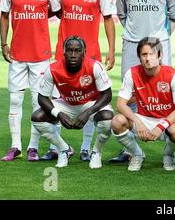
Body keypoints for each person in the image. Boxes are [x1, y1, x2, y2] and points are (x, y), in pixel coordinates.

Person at [112, 0, 175, 163]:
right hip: (132, 44)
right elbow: (122, 13)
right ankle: (130, 148)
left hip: (159, 44)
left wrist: (159, 39)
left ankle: (167, 141)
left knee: (165, 92)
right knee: (129, 96)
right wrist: (136, 35)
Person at [41, 0, 116, 162]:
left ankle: (85, 147)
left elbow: (108, 20)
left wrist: (111, 49)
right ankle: (57, 147)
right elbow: (56, 13)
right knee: (56, 103)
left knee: (90, 102)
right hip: (63, 58)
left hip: (91, 57)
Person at [0, 0, 57, 162]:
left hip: (40, 56)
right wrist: (3, 43)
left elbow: (55, 11)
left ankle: (33, 147)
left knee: (37, 102)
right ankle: (15, 146)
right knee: (15, 101)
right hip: (17, 55)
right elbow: (4, 16)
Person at [31, 36, 114, 168]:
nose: (73, 55)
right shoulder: (53, 69)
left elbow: (107, 94)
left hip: (91, 103)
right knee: (37, 117)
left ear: (84, 53)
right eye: (69, 51)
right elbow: (42, 97)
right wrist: (58, 114)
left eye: (77, 51)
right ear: (64, 53)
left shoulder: (95, 66)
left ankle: (96, 152)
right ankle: (64, 150)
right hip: (67, 104)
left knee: (108, 119)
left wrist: (88, 113)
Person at [111, 37, 175, 171]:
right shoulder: (132, 73)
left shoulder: (172, 75)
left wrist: (160, 126)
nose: (148, 58)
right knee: (117, 121)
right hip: (143, 119)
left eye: (151, 54)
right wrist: (138, 121)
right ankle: (137, 154)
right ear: (139, 57)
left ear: (159, 55)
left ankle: (168, 154)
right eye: (144, 54)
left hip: (167, 121)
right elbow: (120, 105)